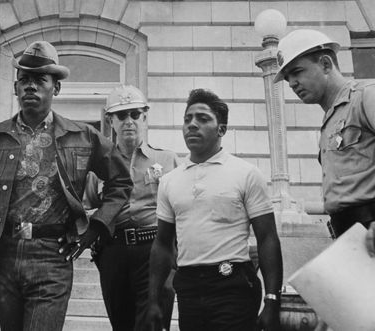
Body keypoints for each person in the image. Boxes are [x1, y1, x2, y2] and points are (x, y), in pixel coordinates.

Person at [0, 40, 132, 331]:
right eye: (24, 80)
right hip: (5, 255)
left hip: (52, 256)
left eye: (40, 80)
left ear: (56, 88)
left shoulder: (83, 136)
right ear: (15, 88)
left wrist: (94, 229)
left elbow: (121, 181)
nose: (30, 86)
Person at [147, 89, 283, 331]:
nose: (192, 125)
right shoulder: (170, 181)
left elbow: (268, 238)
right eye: (187, 119)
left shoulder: (246, 173)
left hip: (233, 286)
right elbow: (163, 243)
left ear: (221, 129)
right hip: (189, 289)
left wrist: (272, 300)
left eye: (203, 118)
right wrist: (153, 300)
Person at [274, 29, 375, 251]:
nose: (292, 83)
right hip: (349, 237)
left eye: (297, 72)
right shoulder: (331, 119)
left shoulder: (366, 96)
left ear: (326, 64)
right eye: (288, 77)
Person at [90, 85, 179, 331]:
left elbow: (179, 210)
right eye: (121, 115)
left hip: (154, 250)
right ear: (110, 121)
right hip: (114, 252)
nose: (129, 121)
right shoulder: (99, 166)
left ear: (145, 117)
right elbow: (88, 208)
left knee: (153, 323)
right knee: (121, 325)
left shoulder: (167, 160)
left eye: (135, 114)